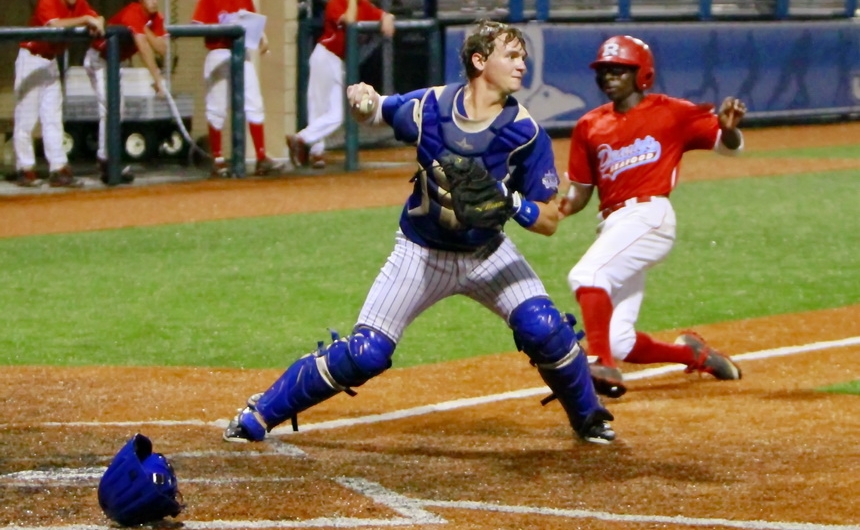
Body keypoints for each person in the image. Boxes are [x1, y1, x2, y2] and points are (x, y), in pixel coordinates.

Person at [223, 20, 616, 445]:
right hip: (420, 252)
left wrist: (507, 199)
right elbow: (375, 110)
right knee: (366, 353)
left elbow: (549, 220)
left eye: (523, 57)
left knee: (543, 327)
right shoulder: (429, 107)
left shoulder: (525, 133)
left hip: (487, 252)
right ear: (480, 61)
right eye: (513, 56)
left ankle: (589, 416)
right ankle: (260, 413)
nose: (523, 65)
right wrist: (361, 98)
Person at [559, 35, 746, 399]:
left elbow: (730, 148)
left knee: (587, 274)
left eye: (619, 70)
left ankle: (599, 361)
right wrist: (551, 209)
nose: (609, 77)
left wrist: (729, 128)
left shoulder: (671, 112)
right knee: (620, 339)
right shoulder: (589, 125)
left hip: (650, 216)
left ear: (641, 74)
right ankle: (693, 354)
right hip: (613, 226)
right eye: (604, 71)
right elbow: (580, 193)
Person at [286, 0, 395, 170]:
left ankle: (302, 140)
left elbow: (383, 15)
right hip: (325, 56)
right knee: (319, 108)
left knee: (337, 113)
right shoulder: (335, 3)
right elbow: (350, 21)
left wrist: (387, 18)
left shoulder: (363, 5)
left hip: (337, 62)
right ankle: (315, 152)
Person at [14, 0, 104, 188]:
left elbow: (98, 17)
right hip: (31, 58)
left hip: (50, 61)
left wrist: (97, 23)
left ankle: (58, 168)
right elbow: (54, 25)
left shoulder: (79, 4)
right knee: (26, 118)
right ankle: (25, 169)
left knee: (53, 117)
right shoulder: (47, 2)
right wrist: (87, 19)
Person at [191, 0, 285, 178]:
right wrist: (222, 27)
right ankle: (217, 159)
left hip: (242, 53)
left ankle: (261, 157)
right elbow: (196, 26)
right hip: (217, 53)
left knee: (254, 103)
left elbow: (254, 28)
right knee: (216, 108)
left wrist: (263, 38)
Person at [85, 0, 168, 184]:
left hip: (115, 62)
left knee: (116, 110)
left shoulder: (155, 18)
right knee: (110, 108)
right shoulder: (133, 11)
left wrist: (145, 29)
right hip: (99, 58)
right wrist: (157, 79)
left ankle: (107, 159)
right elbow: (143, 48)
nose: (154, 2)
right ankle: (106, 160)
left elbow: (162, 49)